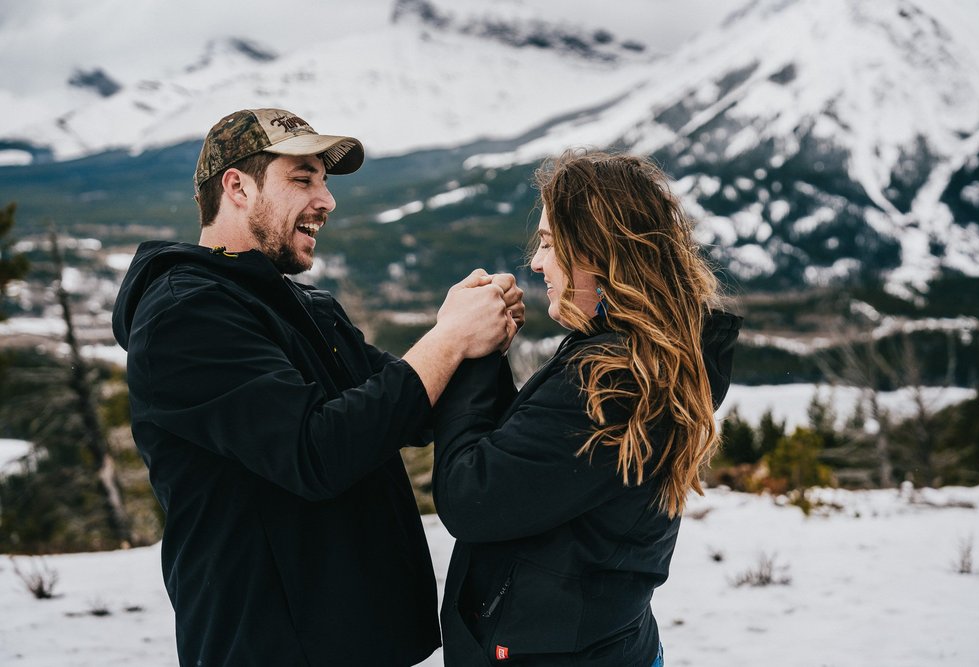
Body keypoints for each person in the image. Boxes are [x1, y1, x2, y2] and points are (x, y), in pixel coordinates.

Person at [111, 108, 523, 666]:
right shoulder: (185, 314)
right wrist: (449, 338)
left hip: (361, 643)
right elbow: (315, 452)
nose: (326, 201)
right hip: (271, 649)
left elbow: (417, 408)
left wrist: (482, 337)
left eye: (323, 183)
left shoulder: (307, 308)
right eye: (302, 179)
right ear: (236, 186)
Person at [431, 150, 742, 666]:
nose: (536, 261)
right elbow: (540, 466)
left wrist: (470, 352)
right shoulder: (649, 354)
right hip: (599, 642)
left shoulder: (612, 381)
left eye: (551, 243)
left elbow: (473, 495)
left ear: (599, 254)